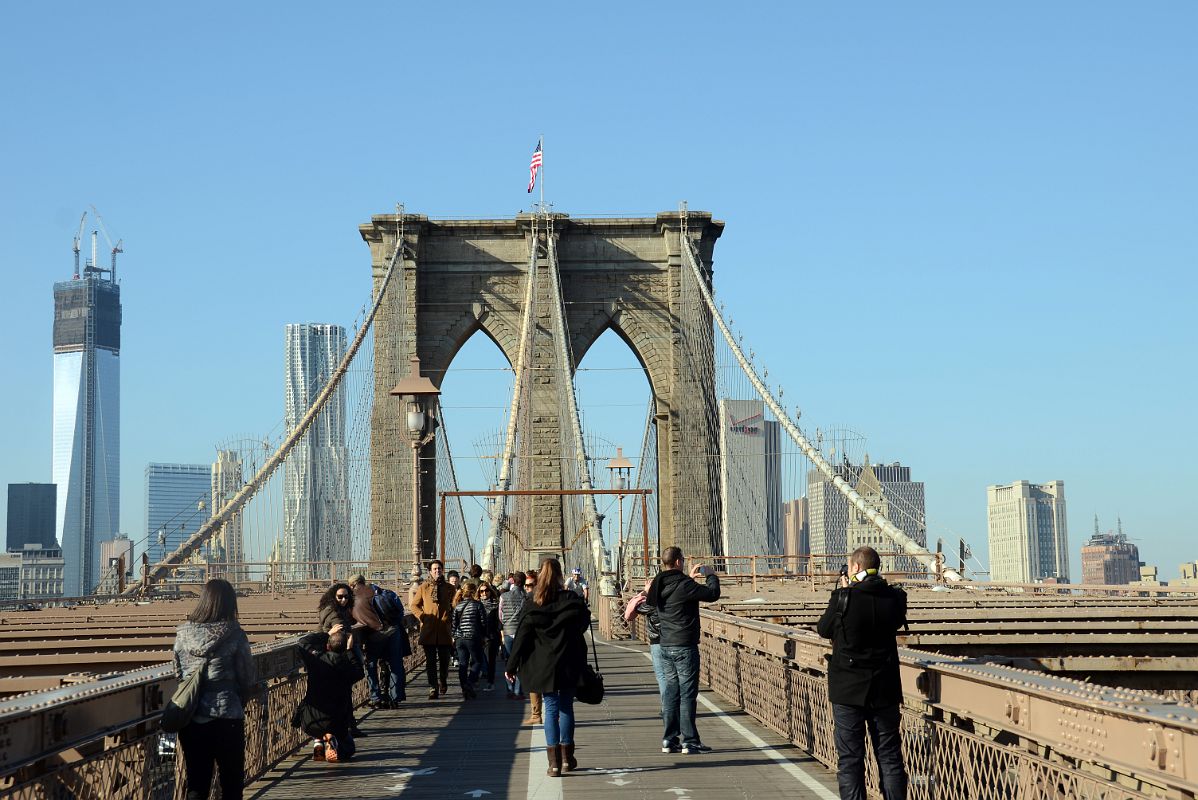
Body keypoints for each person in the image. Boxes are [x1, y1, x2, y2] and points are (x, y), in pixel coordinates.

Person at [817, 545, 909, 800]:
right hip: (885, 689)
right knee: (890, 757)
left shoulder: (844, 598)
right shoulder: (894, 598)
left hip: (848, 691)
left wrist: (843, 592)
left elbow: (824, 629)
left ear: (856, 567)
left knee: (850, 759)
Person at [173, 579, 258, 800]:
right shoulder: (236, 634)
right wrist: (238, 699)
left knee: (197, 783)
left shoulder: (182, 634)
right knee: (231, 783)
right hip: (227, 715)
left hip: (192, 717)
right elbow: (248, 678)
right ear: (230, 603)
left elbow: (179, 674)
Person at [506, 558, 590, 778]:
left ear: (540, 576)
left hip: (544, 665)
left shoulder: (533, 603)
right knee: (566, 708)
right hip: (569, 662)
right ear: (562, 575)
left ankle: (553, 763)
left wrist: (511, 666)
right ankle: (567, 759)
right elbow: (583, 625)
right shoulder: (572, 600)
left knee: (550, 709)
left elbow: (522, 636)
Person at [646, 546, 720, 755]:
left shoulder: (658, 584)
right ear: (678, 562)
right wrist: (711, 575)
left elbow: (675, 592)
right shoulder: (685, 585)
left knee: (671, 693)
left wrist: (689, 579)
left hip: (665, 645)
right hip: (685, 646)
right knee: (687, 694)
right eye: (683, 560)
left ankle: (670, 739)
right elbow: (712, 594)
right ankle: (690, 741)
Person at [292, 626, 362, 763]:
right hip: (336, 722)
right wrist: (349, 651)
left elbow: (302, 642)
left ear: (327, 646)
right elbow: (359, 672)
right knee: (349, 748)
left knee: (318, 719)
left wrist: (326, 634)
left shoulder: (316, 659)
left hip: (310, 721)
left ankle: (318, 742)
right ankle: (330, 737)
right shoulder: (347, 665)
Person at [349, 574, 411, 708]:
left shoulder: (353, 599)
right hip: (393, 631)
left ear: (352, 585)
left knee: (370, 664)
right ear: (363, 581)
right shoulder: (376, 589)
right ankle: (396, 697)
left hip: (374, 635)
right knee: (395, 664)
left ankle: (375, 696)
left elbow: (351, 620)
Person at [317, 583, 367, 736]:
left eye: (346, 596)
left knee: (343, 694)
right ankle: (343, 728)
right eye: (340, 597)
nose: (344, 600)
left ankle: (347, 726)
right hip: (336, 658)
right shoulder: (333, 613)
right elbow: (337, 630)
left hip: (334, 657)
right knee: (342, 695)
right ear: (334, 597)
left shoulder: (337, 609)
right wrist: (341, 638)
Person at [411, 559, 456, 698]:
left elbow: (454, 605)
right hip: (429, 630)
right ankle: (433, 687)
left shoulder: (449, 588)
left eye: (439, 569)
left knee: (444, 660)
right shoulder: (423, 587)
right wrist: (423, 617)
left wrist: (450, 616)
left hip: (444, 629)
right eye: (435, 569)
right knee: (430, 662)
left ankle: (443, 680)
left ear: (443, 570)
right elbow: (414, 606)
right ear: (430, 571)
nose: (437, 571)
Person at [452, 581, 487, 698]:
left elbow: (454, 624)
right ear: (473, 592)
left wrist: (454, 637)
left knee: (462, 663)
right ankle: (469, 683)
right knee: (478, 661)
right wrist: (484, 636)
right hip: (472, 637)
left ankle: (464, 689)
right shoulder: (477, 605)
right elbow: (483, 623)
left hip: (459, 638)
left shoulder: (458, 606)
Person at [498, 571, 529, 699]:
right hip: (522, 632)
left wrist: (505, 625)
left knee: (509, 661)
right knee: (521, 662)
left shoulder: (504, 596)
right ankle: (518, 691)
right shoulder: (527, 597)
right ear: (524, 582)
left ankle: (509, 689)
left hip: (508, 632)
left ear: (513, 581)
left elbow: (500, 616)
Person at [477, 581, 501, 691]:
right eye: (481, 591)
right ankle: (474, 681)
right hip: (478, 636)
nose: (484, 593)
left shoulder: (496, 605)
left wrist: (501, 635)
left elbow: (499, 622)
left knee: (490, 660)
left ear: (490, 592)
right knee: (477, 660)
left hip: (491, 636)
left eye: (486, 590)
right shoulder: (476, 605)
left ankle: (490, 682)